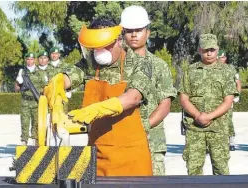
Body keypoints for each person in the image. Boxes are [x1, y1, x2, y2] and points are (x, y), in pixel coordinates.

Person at [69, 17, 158, 176]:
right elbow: (68, 77)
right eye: (96, 48)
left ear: (118, 40)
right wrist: (56, 85)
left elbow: (133, 97)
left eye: (105, 46)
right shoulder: (90, 63)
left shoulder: (140, 63)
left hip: (131, 156)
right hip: (98, 153)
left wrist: (98, 109)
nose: (99, 52)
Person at [120, 5, 177, 175]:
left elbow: (165, 105)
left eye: (138, 30)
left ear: (148, 33)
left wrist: (142, 126)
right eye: (129, 30)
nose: (134, 34)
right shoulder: (115, 64)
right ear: (123, 33)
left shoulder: (159, 65)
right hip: (119, 141)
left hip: (150, 141)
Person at [178, 34, 239, 175]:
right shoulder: (190, 71)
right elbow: (184, 99)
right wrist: (198, 115)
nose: (209, 53)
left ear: (217, 49)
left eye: (212, 49)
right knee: (194, 170)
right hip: (194, 128)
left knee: (221, 169)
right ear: (200, 50)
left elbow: (228, 100)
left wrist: (209, 116)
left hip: (218, 128)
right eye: (206, 50)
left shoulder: (226, 71)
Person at [15, 52, 46, 145]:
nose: (30, 61)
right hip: (25, 101)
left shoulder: (41, 72)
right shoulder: (22, 72)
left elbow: (45, 88)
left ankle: (34, 140)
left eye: (32, 59)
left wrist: (44, 101)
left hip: (36, 102)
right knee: (24, 122)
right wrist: (18, 82)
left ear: (35, 60)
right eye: (28, 59)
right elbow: (16, 89)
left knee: (36, 123)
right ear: (25, 60)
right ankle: (24, 141)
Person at [218, 50, 242, 151]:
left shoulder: (231, 68)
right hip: (216, 99)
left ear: (225, 58)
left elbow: (238, 83)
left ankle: (231, 141)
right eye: (219, 57)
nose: (221, 59)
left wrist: (237, 95)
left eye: (223, 57)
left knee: (228, 120)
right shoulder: (213, 68)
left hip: (228, 99)